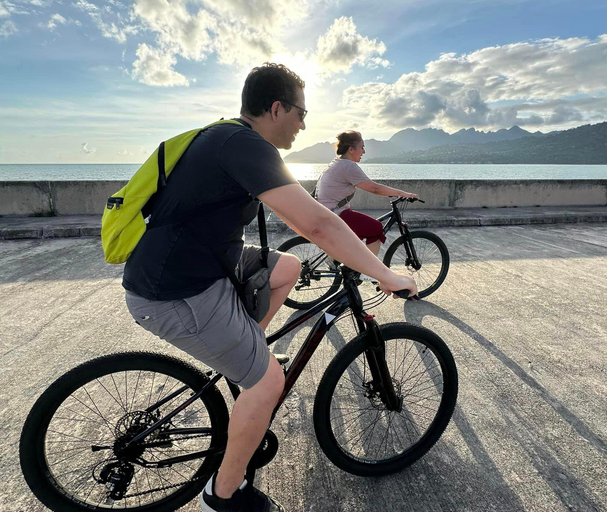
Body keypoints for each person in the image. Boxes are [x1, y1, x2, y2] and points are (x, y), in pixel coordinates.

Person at [122, 63, 417, 512]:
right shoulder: (243, 145)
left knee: (287, 267)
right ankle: (223, 496)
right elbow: (318, 222)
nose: (304, 123)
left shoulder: (229, 138)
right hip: (177, 291)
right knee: (267, 384)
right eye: (301, 112)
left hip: (194, 266)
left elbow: (297, 214)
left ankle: (249, 347)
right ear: (276, 108)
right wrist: (385, 274)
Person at [315, 131, 419, 255]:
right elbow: (374, 188)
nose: (364, 151)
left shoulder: (336, 163)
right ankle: (367, 270)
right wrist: (403, 194)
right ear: (351, 150)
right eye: (362, 147)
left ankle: (339, 260)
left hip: (327, 212)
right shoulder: (348, 166)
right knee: (376, 228)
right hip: (336, 215)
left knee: (360, 231)